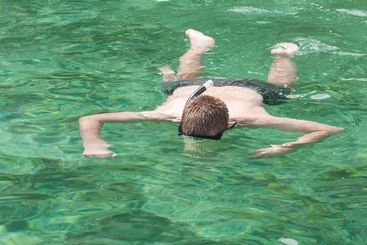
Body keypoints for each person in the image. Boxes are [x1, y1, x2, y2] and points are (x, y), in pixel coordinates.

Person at [79, 29, 345, 158]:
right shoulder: (166, 113)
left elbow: (91, 119)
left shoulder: (252, 119)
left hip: (238, 89)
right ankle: (282, 55)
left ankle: (200, 47)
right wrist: (93, 144)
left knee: (283, 90)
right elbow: (327, 129)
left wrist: (285, 148)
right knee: (181, 81)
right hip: (208, 89)